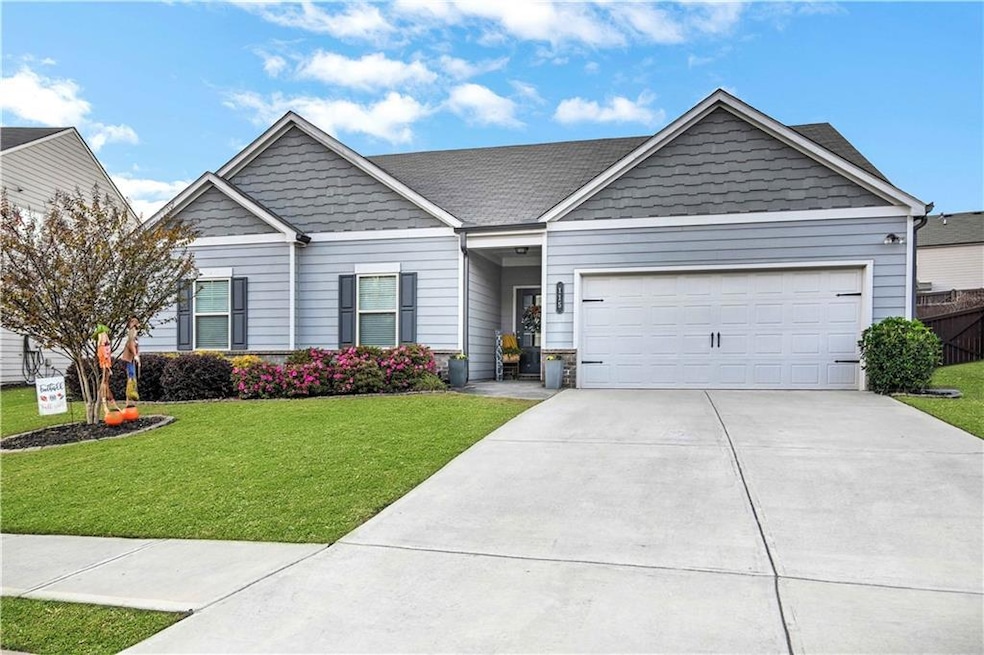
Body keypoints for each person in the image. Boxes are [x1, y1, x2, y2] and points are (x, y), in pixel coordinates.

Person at [95, 325, 121, 417]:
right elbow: (103, 359)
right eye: (104, 335)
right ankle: (105, 405)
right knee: (104, 384)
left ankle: (111, 404)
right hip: (105, 366)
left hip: (107, 366)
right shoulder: (101, 348)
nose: (106, 337)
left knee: (106, 384)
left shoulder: (106, 347)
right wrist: (108, 369)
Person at [120, 317, 140, 406]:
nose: (136, 331)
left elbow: (136, 348)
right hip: (129, 360)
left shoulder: (135, 338)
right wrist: (135, 355)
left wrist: (138, 357)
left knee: (133, 376)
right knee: (131, 376)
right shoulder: (131, 339)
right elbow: (132, 347)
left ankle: (132, 397)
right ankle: (129, 396)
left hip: (132, 360)